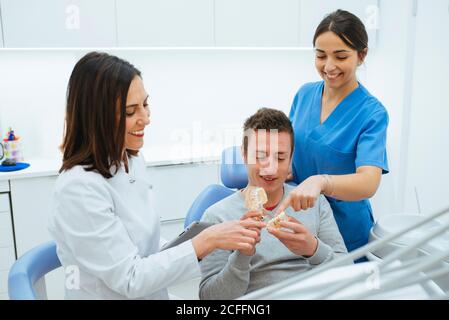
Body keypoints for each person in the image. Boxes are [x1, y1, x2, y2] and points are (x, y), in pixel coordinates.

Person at [48, 52, 264, 299]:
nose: (146, 119)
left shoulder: (132, 161)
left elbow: (144, 247)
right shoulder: (78, 189)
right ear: (97, 118)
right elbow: (130, 279)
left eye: (145, 104)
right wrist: (205, 241)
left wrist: (208, 244)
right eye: (131, 112)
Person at [199, 108, 348, 300]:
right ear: (244, 155)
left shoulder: (314, 202)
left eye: (280, 157)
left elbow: (347, 273)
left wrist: (313, 249)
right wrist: (242, 255)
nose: (270, 168)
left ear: (291, 158)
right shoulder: (217, 217)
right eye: (260, 156)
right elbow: (210, 298)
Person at [278, 10, 389, 253]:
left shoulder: (372, 113)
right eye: (320, 55)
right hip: (300, 222)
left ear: (362, 55)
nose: (329, 66)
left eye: (340, 56)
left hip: (344, 230)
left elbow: (368, 182)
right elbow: (288, 146)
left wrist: (322, 181)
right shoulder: (305, 93)